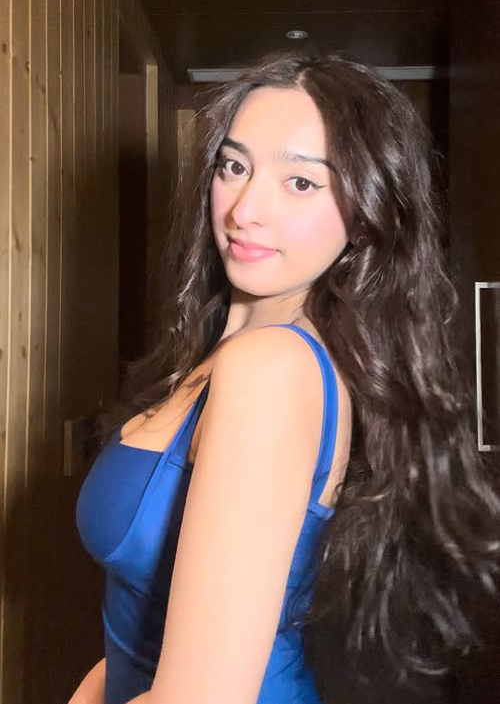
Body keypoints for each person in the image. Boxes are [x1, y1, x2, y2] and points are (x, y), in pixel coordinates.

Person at [71, 51, 500, 704]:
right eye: (235, 166)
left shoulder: (271, 369)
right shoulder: (216, 355)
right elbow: (135, 626)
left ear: (365, 213)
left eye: (301, 182)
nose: (245, 209)